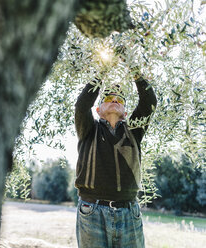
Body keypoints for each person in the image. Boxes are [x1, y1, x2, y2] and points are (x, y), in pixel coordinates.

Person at [74, 58, 157, 247]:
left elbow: (149, 101)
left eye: (119, 99)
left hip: (129, 212)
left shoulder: (134, 131)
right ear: (98, 109)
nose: (114, 100)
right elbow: (81, 105)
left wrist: (133, 66)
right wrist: (104, 68)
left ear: (126, 113)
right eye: (108, 98)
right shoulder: (88, 129)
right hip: (92, 211)